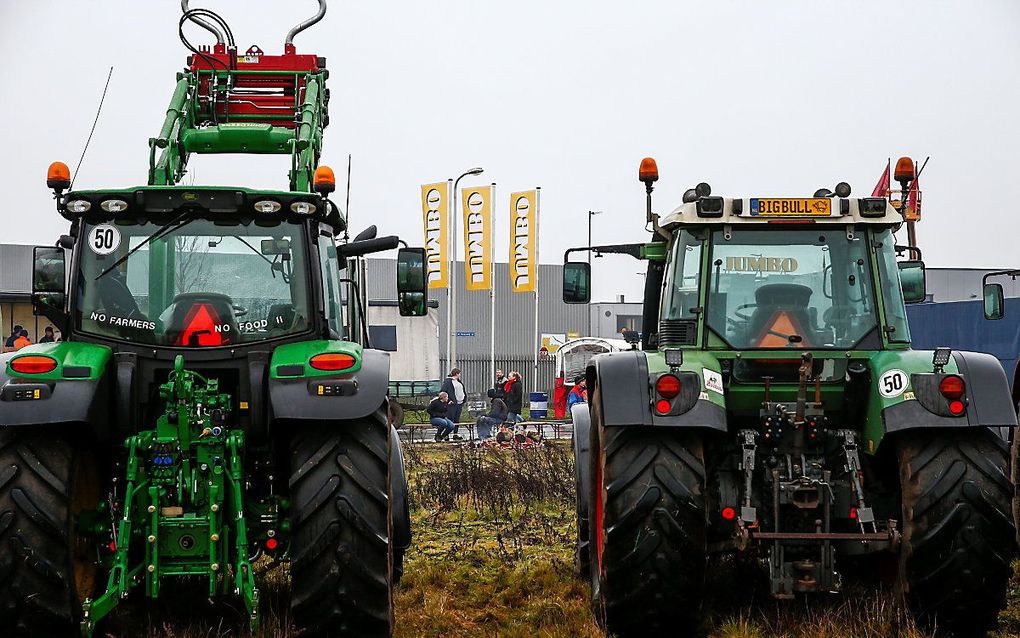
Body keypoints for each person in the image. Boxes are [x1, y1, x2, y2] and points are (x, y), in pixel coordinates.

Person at [441, 368, 467, 440]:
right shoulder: (448, 382)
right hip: (452, 404)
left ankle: (455, 433)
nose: (460, 375)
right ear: (456, 374)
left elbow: (462, 390)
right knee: (450, 419)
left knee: (456, 419)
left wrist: (464, 398)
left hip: (459, 403)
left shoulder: (459, 382)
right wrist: (448, 400)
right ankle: (446, 434)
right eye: (459, 373)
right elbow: (443, 391)